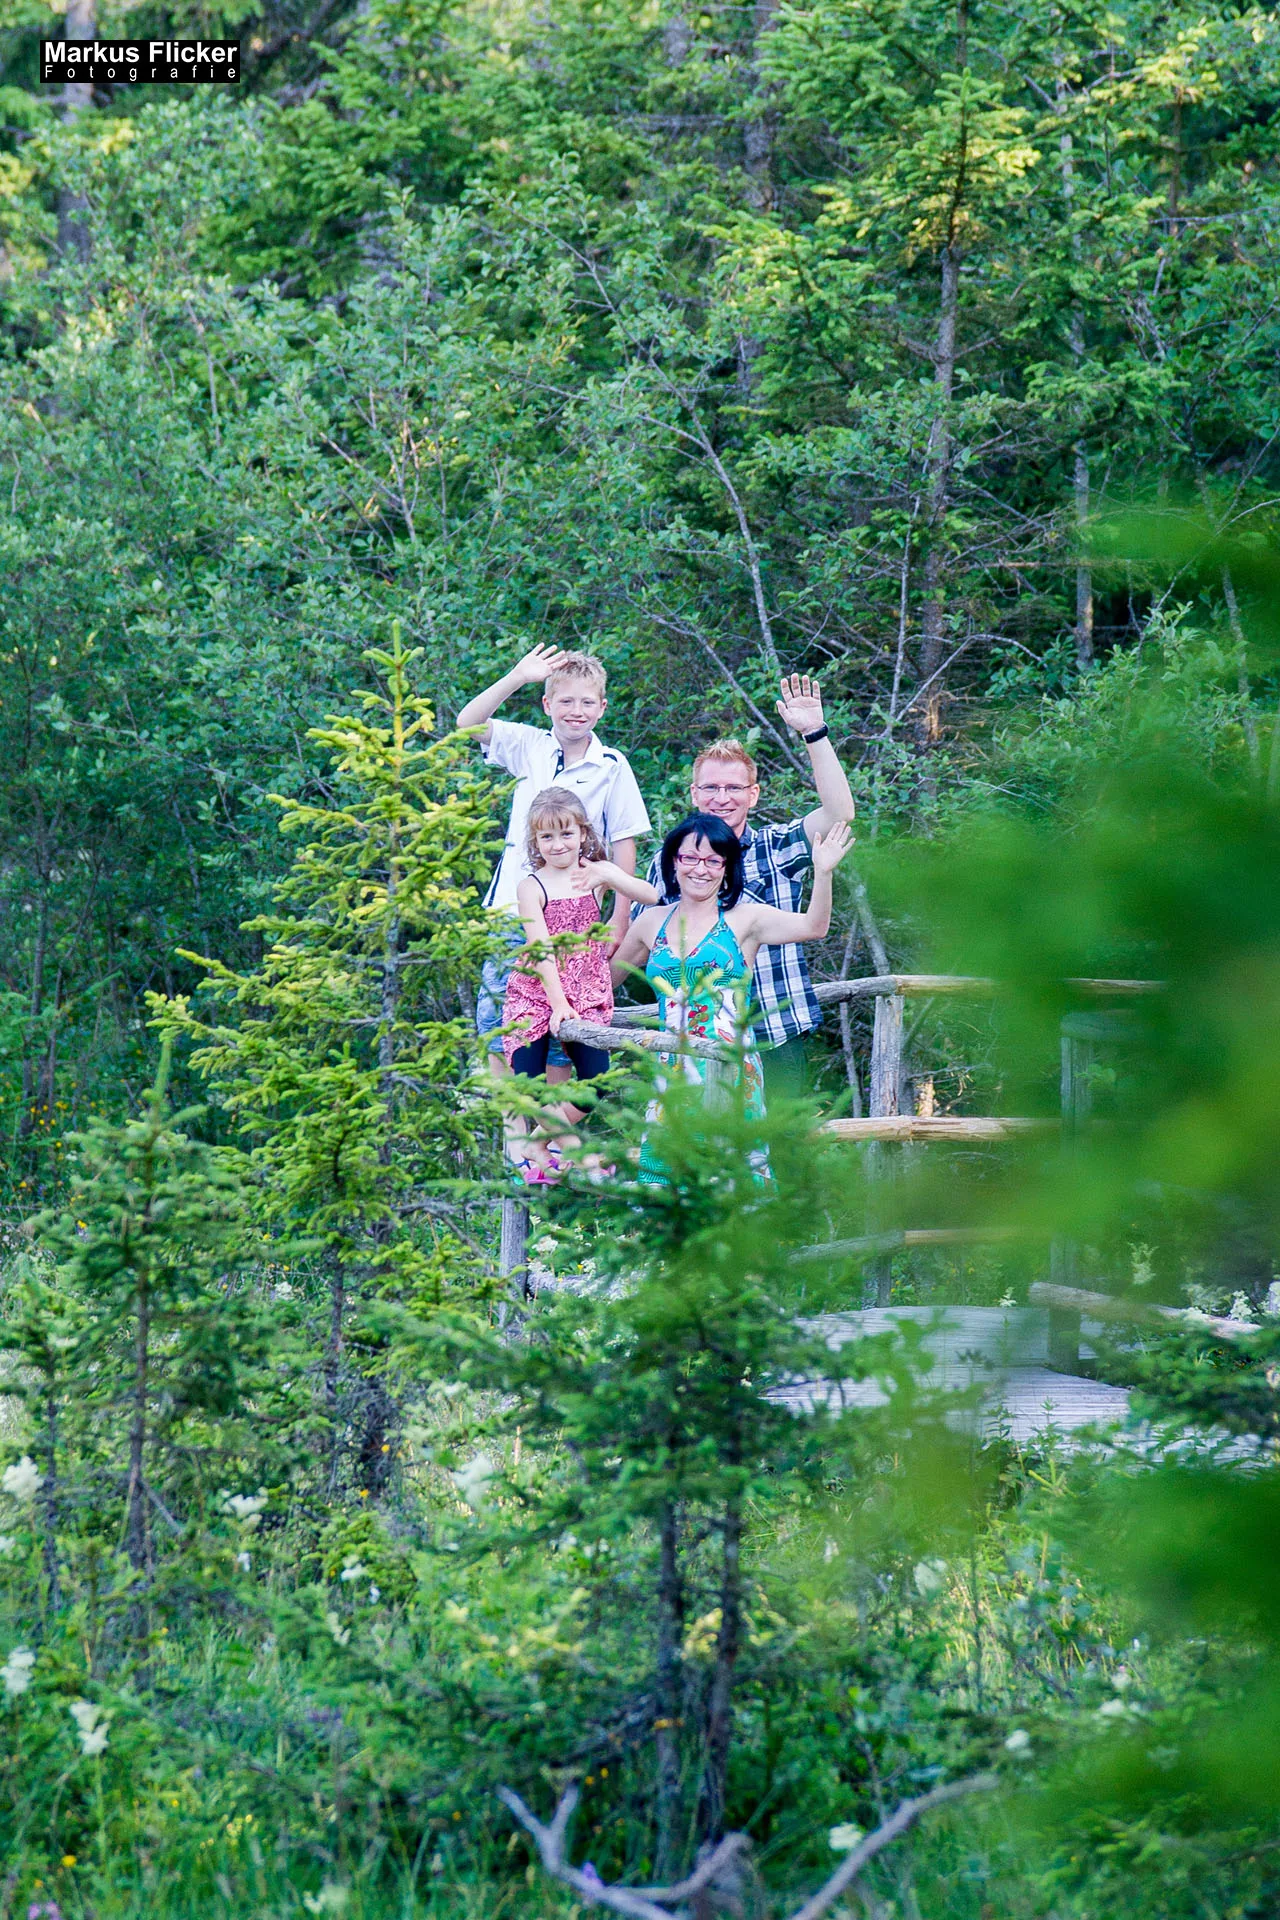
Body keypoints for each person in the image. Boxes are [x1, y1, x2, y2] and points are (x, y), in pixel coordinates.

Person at [639, 675, 855, 1099]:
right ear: (694, 794)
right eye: (711, 788)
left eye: (734, 788)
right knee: (699, 1160)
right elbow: (642, 943)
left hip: (775, 1034)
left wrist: (814, 732)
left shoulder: (777, 847)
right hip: (692, 1048)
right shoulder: (669, 864)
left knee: (776, 1157)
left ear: (753, 794)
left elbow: (840, 814)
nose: (722, 798)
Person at [613, 812, 854, 1182]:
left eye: (713, 860)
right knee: (665, 1181)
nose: (701, 869)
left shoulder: (745, 919)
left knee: (730, 1180)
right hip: (671, 1068)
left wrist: (823, 872)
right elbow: (606, 981)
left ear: (726, 867)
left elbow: (813, 927)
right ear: (673, 861)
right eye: (690, 858)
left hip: (729, 1068)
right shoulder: (650, 922)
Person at [457, 645, 652, 1092]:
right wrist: (517, 677)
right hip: (513, 911)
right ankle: (517, 1148)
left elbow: (624, 843)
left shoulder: (612, 766)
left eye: (587, 702)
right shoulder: (529, 745)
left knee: (562, 1033)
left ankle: (555, 1146)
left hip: (574, 920)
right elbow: (466, 724)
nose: (575, 711)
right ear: (548, 704)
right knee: (501, 1028)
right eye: (565, 701)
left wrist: (619, 919)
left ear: (602, 708)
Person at [503, 788, 659, 1182]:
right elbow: (540, 950)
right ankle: (577, 1155)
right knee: (527, 1079)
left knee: (595, 1079)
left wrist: (607, 872)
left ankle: (541, 1142)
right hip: (537, 993)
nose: (558, 845)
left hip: (586, 990)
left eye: (566, 834)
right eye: (547, 837)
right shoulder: (531, 887)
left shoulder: (592, 875)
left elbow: (652, 895)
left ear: (582, 833)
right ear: (535, 841)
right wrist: (557, 1005)